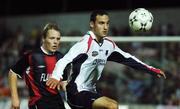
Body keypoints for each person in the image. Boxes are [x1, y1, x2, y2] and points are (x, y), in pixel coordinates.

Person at [46, 10, 166, 109]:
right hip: (75, 93)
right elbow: (64, 60)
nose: (105, 27)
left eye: (107, 23)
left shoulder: (109, 45)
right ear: (92, 24)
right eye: (101, 23)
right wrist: (56, 76)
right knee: (112, 106)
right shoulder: (84, 44)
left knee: (114, 105)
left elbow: (128, 59)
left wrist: (151, 70)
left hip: (91, 91)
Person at [8, 23, 67, 109]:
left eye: (58, 39)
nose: (55, 42)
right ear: (43, 39)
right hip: (38, 102)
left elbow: (63, 83)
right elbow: (12, 73)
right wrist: (15, 98)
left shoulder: (61, 57)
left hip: (57, 102)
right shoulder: (32, 55)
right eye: (52, 38)